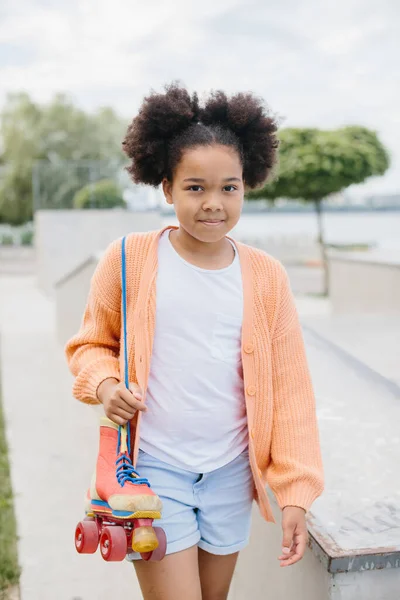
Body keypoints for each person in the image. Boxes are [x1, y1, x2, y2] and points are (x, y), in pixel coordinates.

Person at [65, 83, 324, 600]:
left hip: (230, 474)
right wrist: (106, 382)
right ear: (166, 187)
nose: (213, 204)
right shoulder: (129, 260)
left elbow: (291, 387)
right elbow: (89, 346)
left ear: (247, 184)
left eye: (229, 188)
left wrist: (295, 491)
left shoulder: (266, 276)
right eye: (195, 188)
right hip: (153, 471)